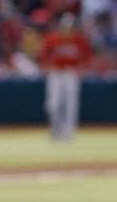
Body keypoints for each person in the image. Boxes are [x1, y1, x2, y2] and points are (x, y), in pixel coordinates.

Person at [39, 12, 92, 140]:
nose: (68, 29)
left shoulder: (79, 40)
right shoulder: (52, 39)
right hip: (56, 74)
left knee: (71, 104)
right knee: (52, 105)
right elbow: (43, 56)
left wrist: (82, 70)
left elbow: (87, 57)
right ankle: (57, 129)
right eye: (65, 26)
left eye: (70, 27)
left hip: (71, 74)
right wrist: (47, 67)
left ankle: (68, 132)